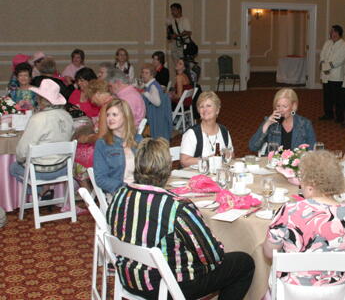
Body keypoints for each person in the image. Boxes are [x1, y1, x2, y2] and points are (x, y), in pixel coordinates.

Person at [107, 138, 254, 299]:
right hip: (165, 286)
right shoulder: (176, 208)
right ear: (167, 169)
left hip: (129, 278)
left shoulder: (119, 196)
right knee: (244, 263)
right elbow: (213, 256)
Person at [263, 150, 345, 288]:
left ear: (310, 186)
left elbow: (269, 253)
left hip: (293, 290)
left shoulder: (289, 211)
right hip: (337, 290)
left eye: (302, 180)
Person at [9, 79, 73, 192]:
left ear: (41, 100)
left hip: (41, 172)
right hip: (64, 167)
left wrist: (20, 160)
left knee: (13, 167)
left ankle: (39, 193)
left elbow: (22, 151)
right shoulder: (67, 116)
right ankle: (44, 191)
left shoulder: (37, 119)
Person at [93, 98, 142, 194]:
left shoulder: (138, 139)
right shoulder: (102, 144)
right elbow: (101, 178)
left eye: (114, 115)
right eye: (108, 115)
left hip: (141, 189)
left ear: (125, 116)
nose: (110, 118)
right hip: (118, 193)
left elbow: (149, 169)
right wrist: (125, 188)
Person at [249, 88, 316, 153]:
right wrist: (267, 124)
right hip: (274, 163)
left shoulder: (305, 124)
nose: (280, 110)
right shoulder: (272, 123)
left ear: (293, 106)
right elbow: (253, 147)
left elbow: (312, 150)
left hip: (297, 163)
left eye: (284, 106)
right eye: (278, 106)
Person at [180, 91, 233, 167]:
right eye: (201, 107)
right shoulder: (192, 134)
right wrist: (208, 159)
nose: (205, 109)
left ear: (217, 110)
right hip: (196, 176)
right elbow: (184, 161)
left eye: (208, 106)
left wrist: (228, 154)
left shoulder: (224, 131)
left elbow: (232, 155)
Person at [319, 25, 345, 122]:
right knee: (327, 97)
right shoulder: (327, 43)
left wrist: (326, 67)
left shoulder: (344, 45)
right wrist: (323, 65)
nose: (333, 34)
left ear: (339, 33)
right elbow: (322, 54)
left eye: (335, 32)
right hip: (325, 74)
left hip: (336, 76)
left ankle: (339, 117)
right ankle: (328, 114)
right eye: (331, 32)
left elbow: (340, 60)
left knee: (337, 98)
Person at [140, 64, 173, 141]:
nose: (143, 75)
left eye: (146, 73)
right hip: (157, 114)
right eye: (142, 72)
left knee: (156, 138)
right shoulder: (152, 84)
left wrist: (145, 93)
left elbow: (157, 102)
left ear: (152, 75)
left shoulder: (153, 86)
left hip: (156, 115)